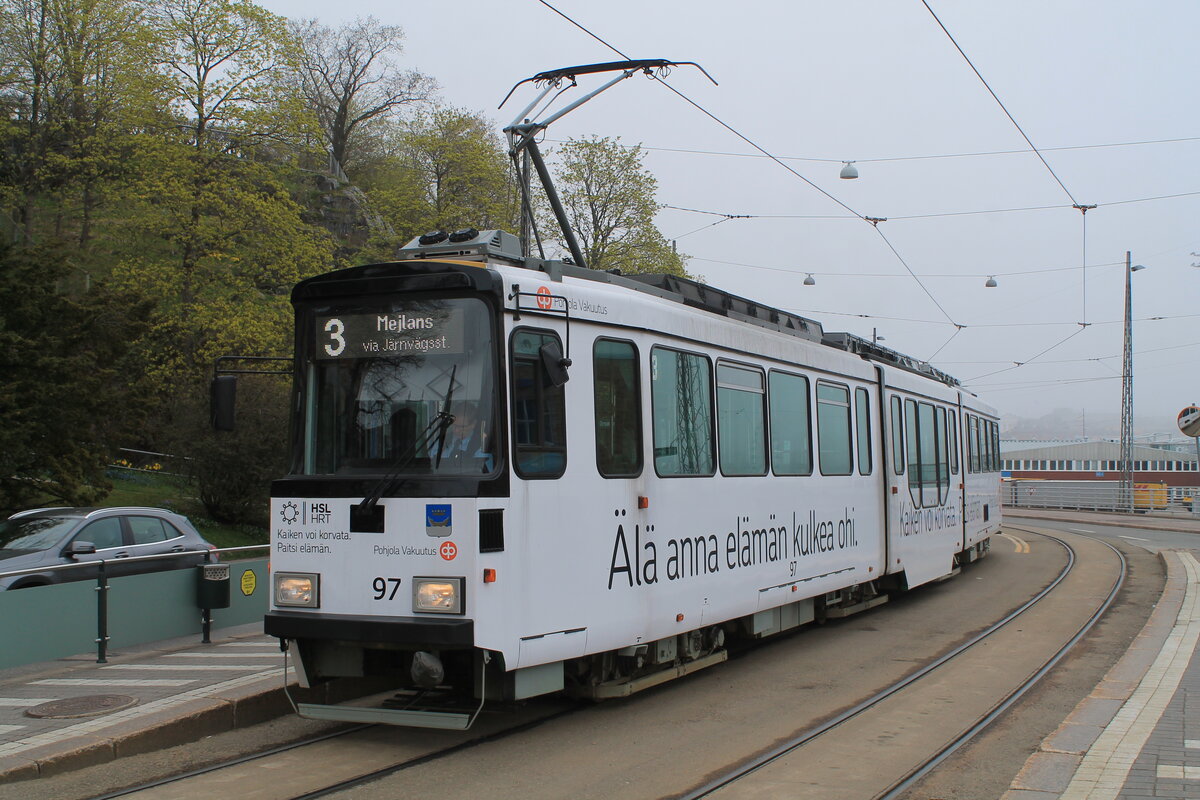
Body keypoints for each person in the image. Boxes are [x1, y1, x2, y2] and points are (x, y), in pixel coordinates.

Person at [431, 402, 494, 472]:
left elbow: (484, 471)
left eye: (461, 427)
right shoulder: (442, 441)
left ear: (473, 424)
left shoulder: (481, 445)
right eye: (454, 425)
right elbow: (431, 466)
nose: (456, 430)